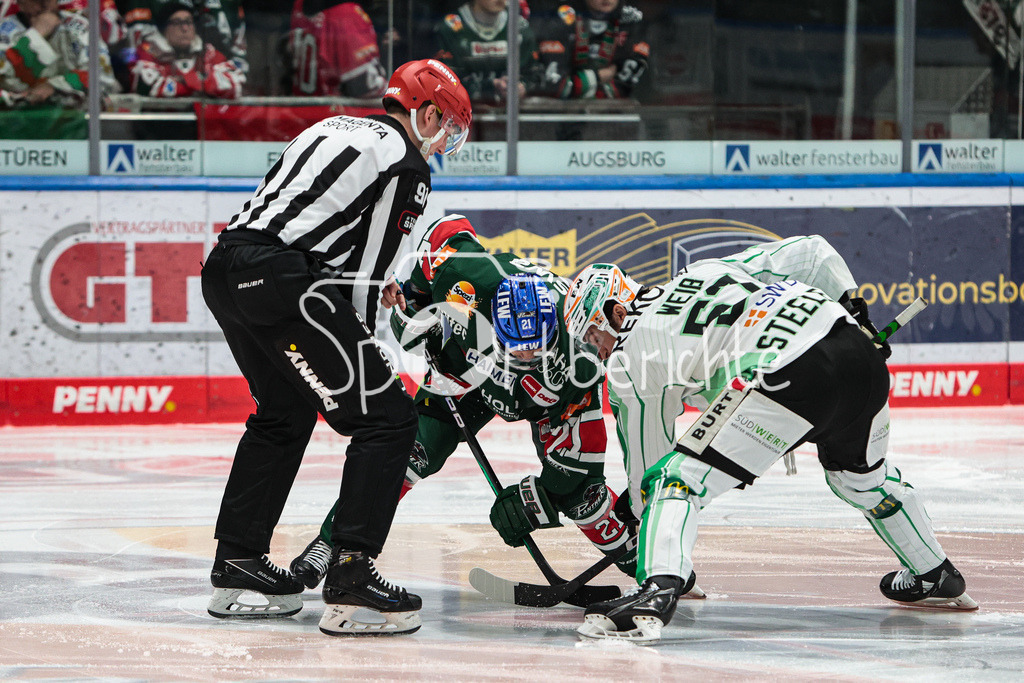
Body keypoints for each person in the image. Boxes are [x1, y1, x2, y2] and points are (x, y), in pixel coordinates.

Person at [562, 235, 978, 643]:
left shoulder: (629, 359)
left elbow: (648, 468)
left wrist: (647, 526)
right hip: (858, 351)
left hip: (784, 374)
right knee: (859, 479)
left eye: (594, 338)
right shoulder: (708, 270)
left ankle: (657, 592)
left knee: (673, 480)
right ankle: (934, 573)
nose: (598, 353)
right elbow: (814, 253)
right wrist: (857, 313)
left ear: (616, 313)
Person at [200, 59, 472, 636]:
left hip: (226, 269)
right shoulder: (409, 162)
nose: (445, 140)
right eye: (446, 125)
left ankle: (237, 565)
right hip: (283, 282)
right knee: (388, 419)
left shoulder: (330, 126)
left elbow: (296, 219)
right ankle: (352, 575)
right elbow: (365, 276)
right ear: (424, 112)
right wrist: (376, 353)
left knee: (283, 413)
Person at [289, 213, 639, 590]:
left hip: (548, 404)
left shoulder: (581, 358)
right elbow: (448, 230)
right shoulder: (471, 276)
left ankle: (648, 564)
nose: (525, 359)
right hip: (467, 376)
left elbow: (577, 462)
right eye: (516, 350)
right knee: (409, 452)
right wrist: (415, 312)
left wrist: (540, 498)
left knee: (582, 497)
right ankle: (332, 543)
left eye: (535, 350)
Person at [0, 0, 119, 108]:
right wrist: (36, 36)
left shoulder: (79, 26)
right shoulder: (4, 31)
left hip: (75, 121)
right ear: (20, 4)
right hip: (16, 121)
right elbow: (4, 80)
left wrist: (54, 86)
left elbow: (102, 76)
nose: (44, 4)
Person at [130, 0, 245, 98]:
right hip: (158, 122)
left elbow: (237, 83)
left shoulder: (208, 52)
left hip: (200, 122)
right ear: (164, 28)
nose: (185, 28)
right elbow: (149, 89)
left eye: (188, 22)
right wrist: (203, 84)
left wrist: (186, 80)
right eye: (177, 22)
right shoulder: (148, 51)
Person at [536, 0, 649, 100]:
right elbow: (556, 86)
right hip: (563, 113)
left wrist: (581, 84)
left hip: (613, 114)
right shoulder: (561, 19)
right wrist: (598, 76)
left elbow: (630, 88)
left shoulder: (632, 22)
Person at [434, 0, 542, 103]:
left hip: (511, 114)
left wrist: (523, 86)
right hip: (465, 114)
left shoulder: (521, 28)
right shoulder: (449, 29)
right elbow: (442, 80)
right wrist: (488, 86)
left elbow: (535, 74)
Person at [286, 0, 387, 98]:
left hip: (305, 108)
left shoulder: (300, 7)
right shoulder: (345, 13)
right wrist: (395, 92)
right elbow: (364, 86)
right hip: (334, 110)